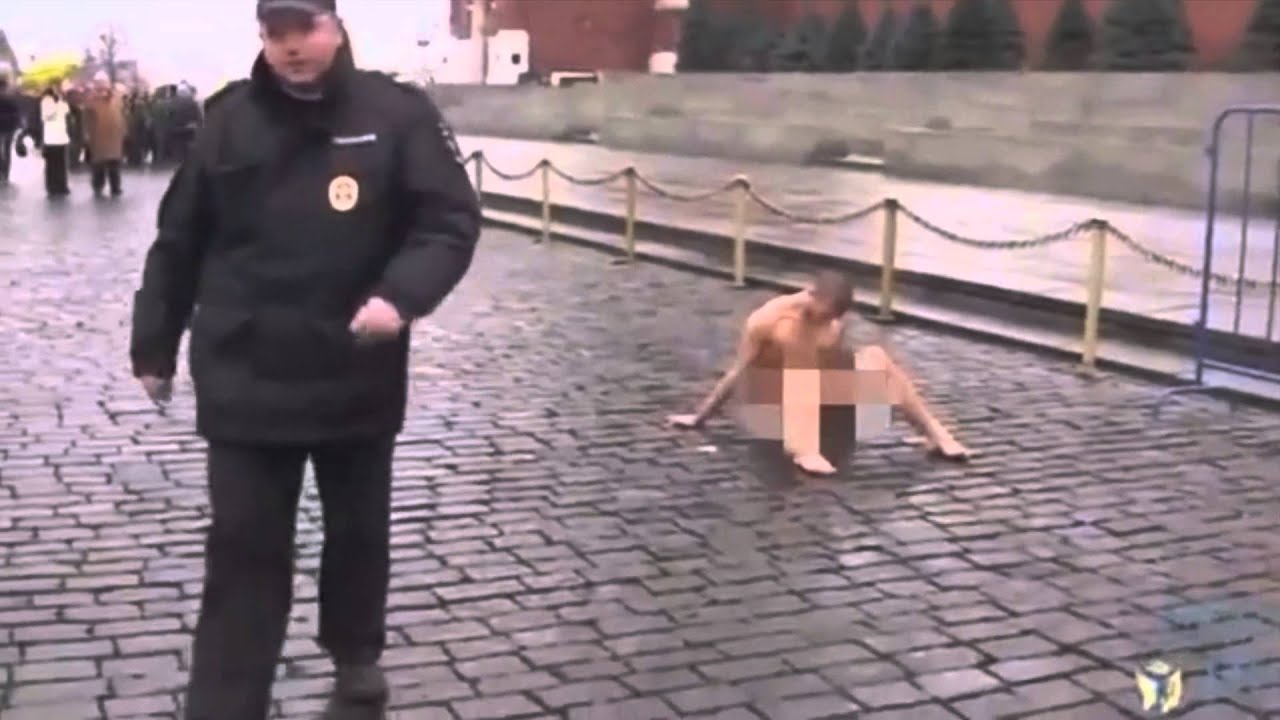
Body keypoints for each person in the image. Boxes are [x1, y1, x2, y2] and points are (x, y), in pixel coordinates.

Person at [127, 0, 481, 717]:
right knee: (243, 546)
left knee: (357, 531)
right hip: (245, 370)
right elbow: (179, 240)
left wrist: (400, 297)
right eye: (276, 34)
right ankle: (225, 701)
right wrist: (154, 343)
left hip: (355, 362)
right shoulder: (228, 120)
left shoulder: (396, 113)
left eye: (306, 29)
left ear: (336, 27)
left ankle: (355, 653)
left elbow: (448, 220)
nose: (292, 47)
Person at [666, 271, 970, 475]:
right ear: (810, 295)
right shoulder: (770, 320)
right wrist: (699, 417)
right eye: (821, 315)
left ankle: (937, 436)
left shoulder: (833, 322)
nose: (824, 321)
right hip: (771, 396)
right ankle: (804, 450)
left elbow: (832, 363)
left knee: (876, 357)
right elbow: (739, 370)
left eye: (830, 317)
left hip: (814, 392)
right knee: (798, 356)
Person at [82, 72, 127, 196]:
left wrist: (123, 130)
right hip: (98, 136)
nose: (102, 86)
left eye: (104, 82)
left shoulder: (116, 98)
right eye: (99, 83)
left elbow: (121, 115)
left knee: (114, 164)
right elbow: (86, 119)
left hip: (114, 136)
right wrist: (86, 134)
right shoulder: (91, 100)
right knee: (99, 164)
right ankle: (98, 185)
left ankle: (115, 187)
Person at [38, 85, 71, 197]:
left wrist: (61, 101)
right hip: (51, 139)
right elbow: (47, 116)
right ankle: (52, 186)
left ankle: (62, 186)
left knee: (61, 164)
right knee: (52, 165)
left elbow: (67, 111)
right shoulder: (46, 101)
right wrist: (57, 106)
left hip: (61, 137)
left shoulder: (60, 101)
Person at [0, 76, 20, 184]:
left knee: (5, 151)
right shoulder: (11, 99)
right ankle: (4, 173)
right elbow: (16, 114)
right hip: (8, 128)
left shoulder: (10, 99)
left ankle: (4, 173)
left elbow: (16, 114)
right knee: (5, 151)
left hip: (7, 129)